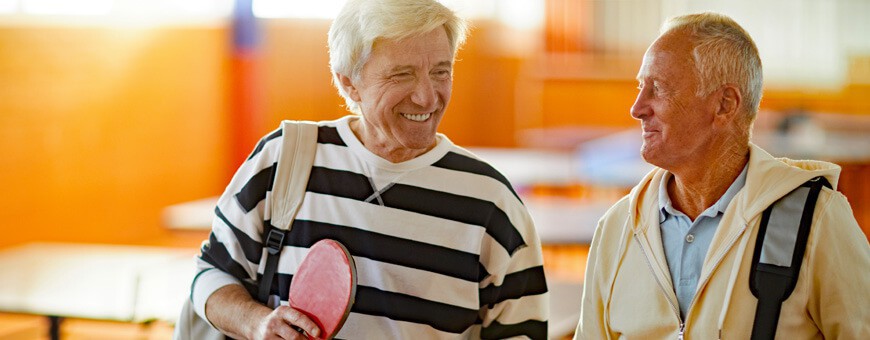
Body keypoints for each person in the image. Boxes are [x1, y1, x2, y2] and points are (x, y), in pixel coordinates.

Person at [188, 0, 549, 339]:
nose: (427, 97)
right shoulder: (286, 158)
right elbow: (211, 273)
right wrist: (256, 322)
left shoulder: (493, 203)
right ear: (349, 82)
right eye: (401, 75)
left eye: (441, 72)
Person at [575, 12, 870, 339]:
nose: (637, 107)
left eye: (657, 89)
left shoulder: (817, 220)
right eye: (640, 87)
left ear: (725, 104)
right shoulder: (617, 228)